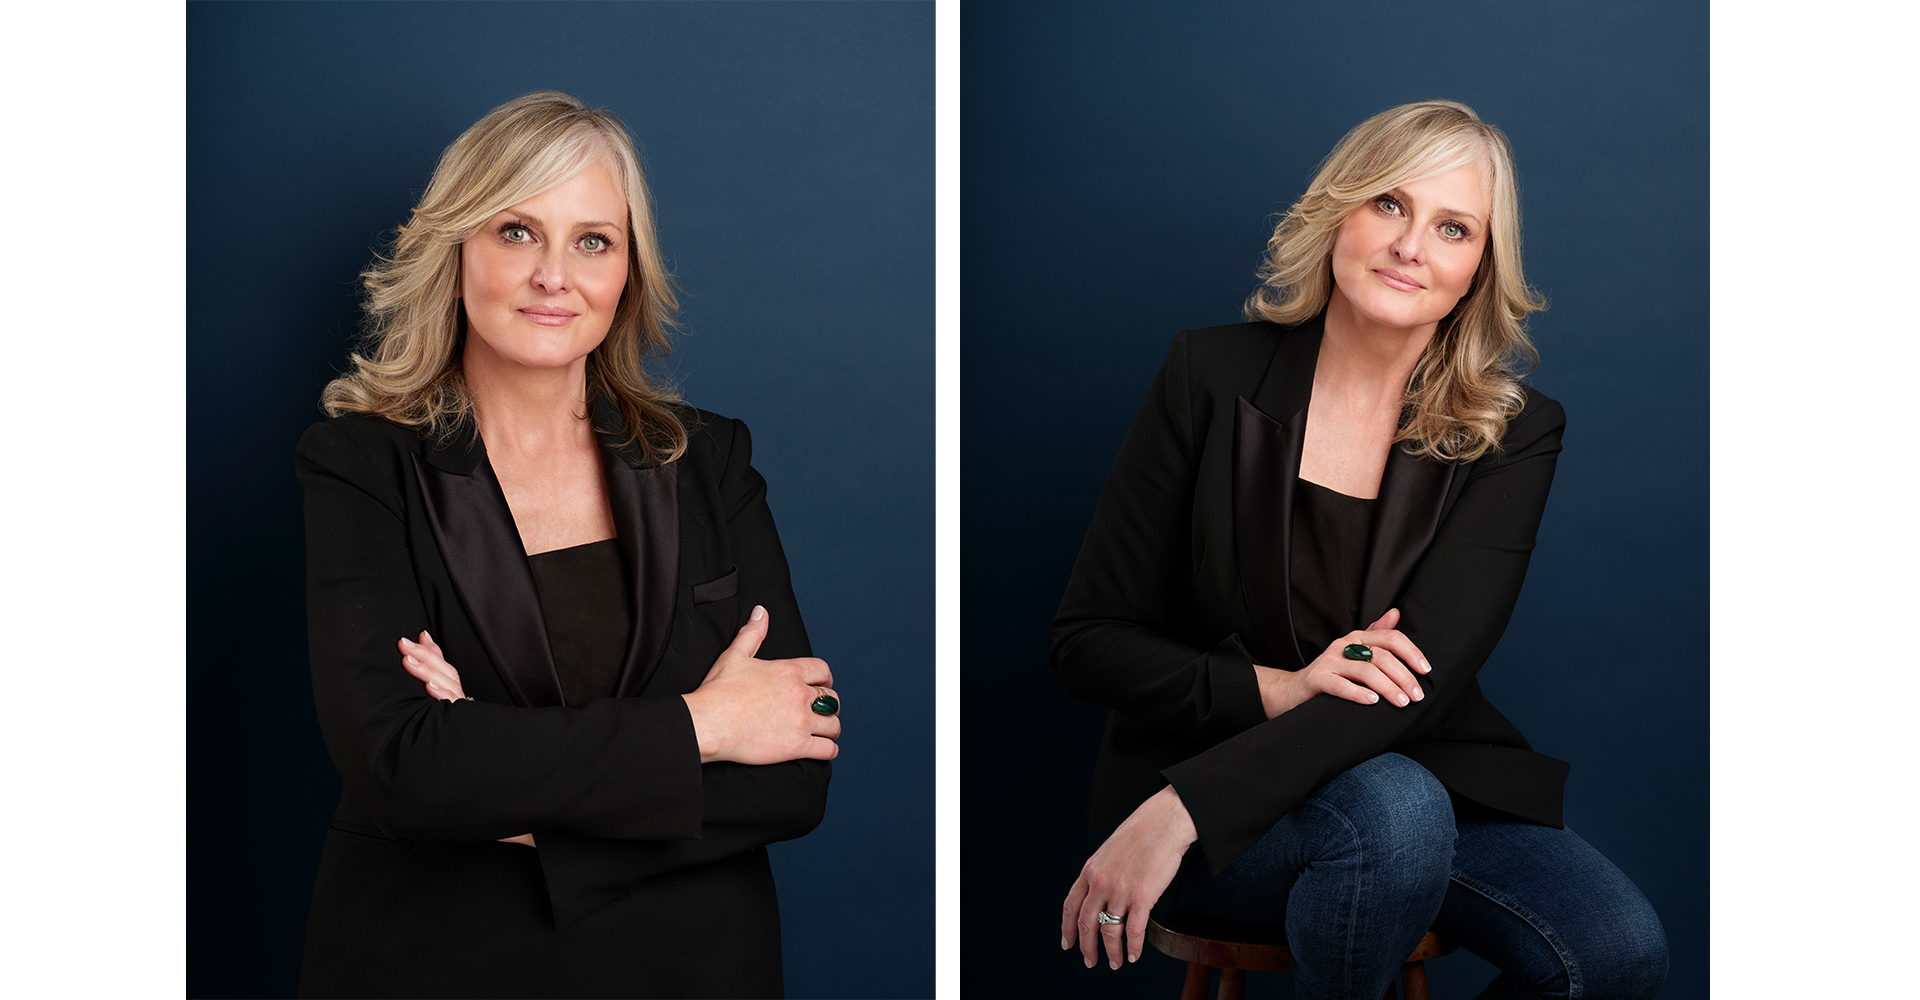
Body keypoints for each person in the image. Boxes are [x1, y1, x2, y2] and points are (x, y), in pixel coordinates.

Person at [1052, 101, 1667, 999]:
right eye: (1388, 203)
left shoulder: (1516, 432)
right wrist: (1272, 694)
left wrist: (1192, 806)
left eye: (1452, 228)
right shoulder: (1207, 376)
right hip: (1224, 781)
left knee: (1616, 950)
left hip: (1391, 775)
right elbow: (1089, 638)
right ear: (1338, 212)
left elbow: (1419, 679)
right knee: (1393, 812)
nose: (1411, 244)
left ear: (1477, 272)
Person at [295, 91, 840, 999]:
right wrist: (705, 726)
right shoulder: (360, 464)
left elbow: (797, 769)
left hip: (692, 968)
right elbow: (406, 768)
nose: (556, 276)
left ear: (629, 270)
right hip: (437, 965)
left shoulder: (710, 459)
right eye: (517, 232)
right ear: (456, 250)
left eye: (593, 240)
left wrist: (504, 787)